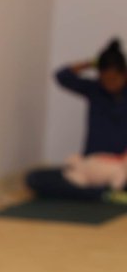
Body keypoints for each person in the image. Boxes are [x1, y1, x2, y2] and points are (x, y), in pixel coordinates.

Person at [26, 38, 127, 202]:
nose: (110, 85)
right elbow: (62, 76)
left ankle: (102, 192)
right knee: (34, 178)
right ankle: (103, 194)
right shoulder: (95, 90)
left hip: (122, 168)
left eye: (115, 79)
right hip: (90, 168)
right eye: (105, 79)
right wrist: (92, 63)